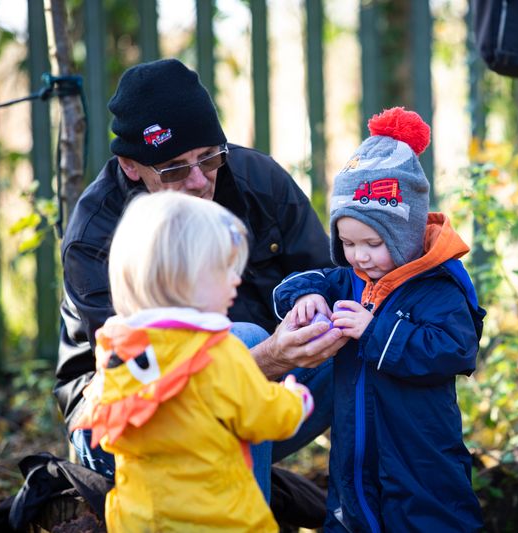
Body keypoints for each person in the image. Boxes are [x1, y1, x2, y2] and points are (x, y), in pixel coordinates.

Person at [54, 58, 345, 502]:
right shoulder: (96, 236)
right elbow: (143, 380)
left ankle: (367, 513)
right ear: (133, 167)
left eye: (209, 157)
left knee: (353, 328)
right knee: (241, 338)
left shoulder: (257, 179)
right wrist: (263, 361)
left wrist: (317, 309)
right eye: (173, 168)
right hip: (127, 426)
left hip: (257, 391)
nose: (197, 180)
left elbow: (327, 274)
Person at [273, 107, 485, 531]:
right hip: (356, 451)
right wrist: (308, 297)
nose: (360, 256)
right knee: (352, 517)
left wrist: (376, 331)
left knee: (430, 521)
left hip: (421, 456)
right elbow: (301, 280)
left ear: (403, 236)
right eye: (348, 243)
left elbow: (455, 350)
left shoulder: (437, 286)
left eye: (373, 242)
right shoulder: (349, 280)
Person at [74, 191, 315, 532]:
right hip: (217, 517)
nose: (236, 278)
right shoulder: (215, 353)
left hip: (139, 518)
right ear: (182, 277)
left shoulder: (119, 349)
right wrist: (295, 401)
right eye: (224, 268)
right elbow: (261, 415)